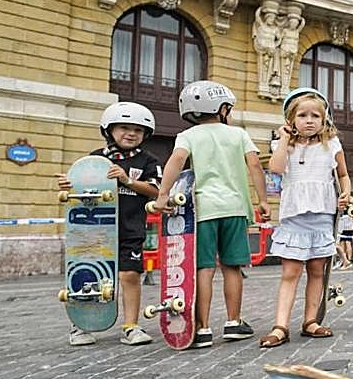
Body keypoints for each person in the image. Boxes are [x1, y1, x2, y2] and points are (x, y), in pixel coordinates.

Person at [152, 81, 270, 348]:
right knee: (232, 267)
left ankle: (202, 328)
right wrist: (262, 200)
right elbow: (254, 165)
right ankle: (233, 322)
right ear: (222, 108)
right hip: (235, 209)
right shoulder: (238, 134)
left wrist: (162, 195)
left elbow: (176, 161)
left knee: (203, 269)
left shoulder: (188, 136)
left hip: (202, 211)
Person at [58, 102, 161, 346]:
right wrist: (69, 184)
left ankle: (131, 326)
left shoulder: (148, 161)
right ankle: (81, 325)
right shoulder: (95, 159)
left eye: (138, 129)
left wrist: (127, 181)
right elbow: (81, 189)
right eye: (124, 127)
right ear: (109, 130)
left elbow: (155, 191)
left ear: (145, 135)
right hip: (95, 229)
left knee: (129, 275)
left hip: (131, 228)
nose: (131, 133)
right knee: (88, 274)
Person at [259, 88, 347, 348]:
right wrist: (284, 139)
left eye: (315, 116)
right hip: (294, 215)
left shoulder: (332, 145)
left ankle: (310, 321)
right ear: (291, 119)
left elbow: (342, 174)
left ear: (324, 119)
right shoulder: (284, 146)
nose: (309, 120)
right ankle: (280, 325)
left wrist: (346, 194)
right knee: (291, 271)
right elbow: (275, 169)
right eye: (302, 115)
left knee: (317, 270)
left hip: (322, 215)